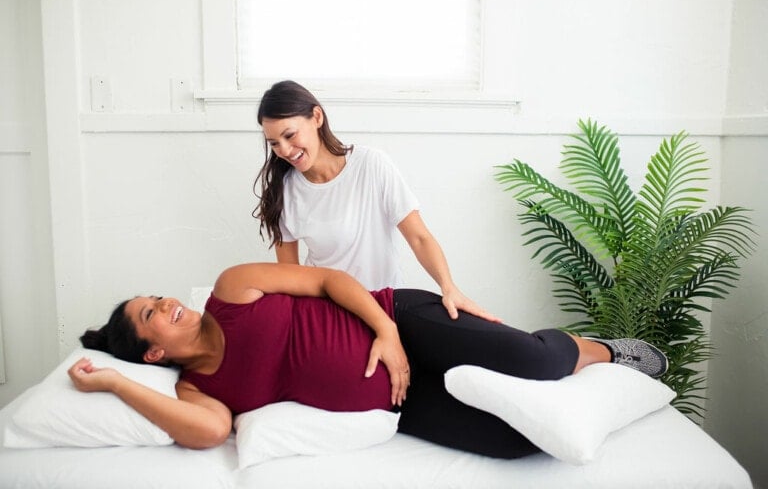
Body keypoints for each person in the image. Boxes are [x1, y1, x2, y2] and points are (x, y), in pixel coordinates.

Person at [69, 263, 668, 458]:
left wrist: (387, 332)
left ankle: (603, 350)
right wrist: (118, 384)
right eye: (153, 313)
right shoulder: (199, 392)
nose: (168, 302)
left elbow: (329, 279)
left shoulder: (232, 288)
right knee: (518, 441)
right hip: (401, 404)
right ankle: (586, 379)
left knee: (533, 363)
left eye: (159, 297)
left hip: (401, 322)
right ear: (153, 352)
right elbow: (211, 434)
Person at [253, 80, 497, 322]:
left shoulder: (371, 165)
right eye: (274, 143)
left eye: (289, 135)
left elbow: (419, 237)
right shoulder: (283, 192)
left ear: (317, 117)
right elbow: (291, 276)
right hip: (329, 313)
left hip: (386, 304)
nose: (284, 150)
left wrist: (449, 288)